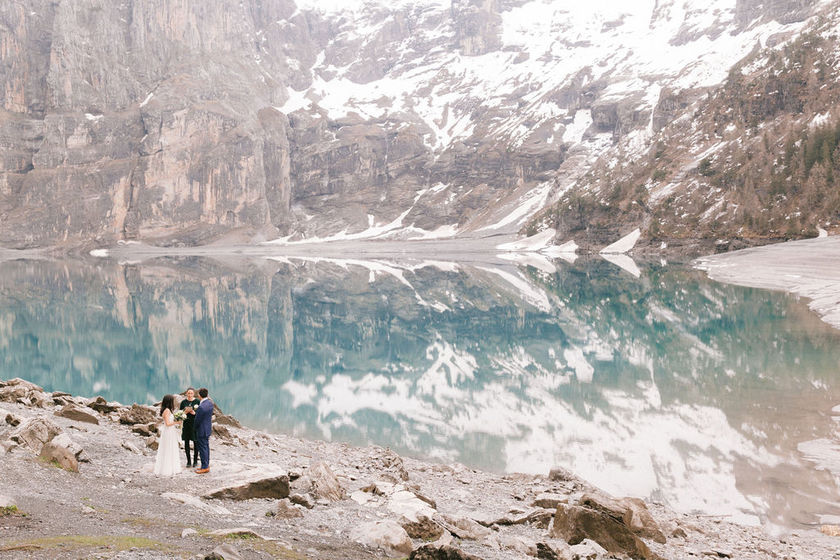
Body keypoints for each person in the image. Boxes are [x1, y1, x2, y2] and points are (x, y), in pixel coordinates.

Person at [153, 394, 182, 476]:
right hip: (168, 431)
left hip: (169, 431)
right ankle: (167, 469)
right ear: (170, 401)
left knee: (170, 448)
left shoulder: (167, 410)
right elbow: (168, 423)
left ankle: (171, 467)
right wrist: (177, 422)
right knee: (169, 448)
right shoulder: (167, 411)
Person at [193, 387, 213, 474]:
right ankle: (206, 465)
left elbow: (197, 420)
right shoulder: (210, 403)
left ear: (199, 395)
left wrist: (194, 428)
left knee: (202, 448)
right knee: (206, 447)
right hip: (207, 429)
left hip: (201, 430)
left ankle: (204, 467)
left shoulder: (201, 407)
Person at [180, 387, 200, 467]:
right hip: (186, 423)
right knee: (186, 442)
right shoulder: (183, 402)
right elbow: (180, 413)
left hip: (194, 424)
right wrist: (185, 412)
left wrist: (194, 412)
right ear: (186, 394)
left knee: (196, 442)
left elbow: (200, 413)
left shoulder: (197, 401)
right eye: (188, 393)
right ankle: (188, 461)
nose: (190, 395)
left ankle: (195, 461)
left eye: (191, 393)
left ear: (194, 394)